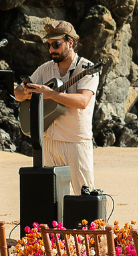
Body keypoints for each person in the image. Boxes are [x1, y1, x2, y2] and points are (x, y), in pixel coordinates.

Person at [12, 19, 98, 192]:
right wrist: (25, 92)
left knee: (84, 195)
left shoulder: (86, 68)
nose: (51, 50)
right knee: (52, 198)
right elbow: (18, 94)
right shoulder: (45, 69)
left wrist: (51, 94)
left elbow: (82, 102)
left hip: (76, 141)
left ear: (70, 43)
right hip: (49, 140)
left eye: (56, 45)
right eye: (49, 45)